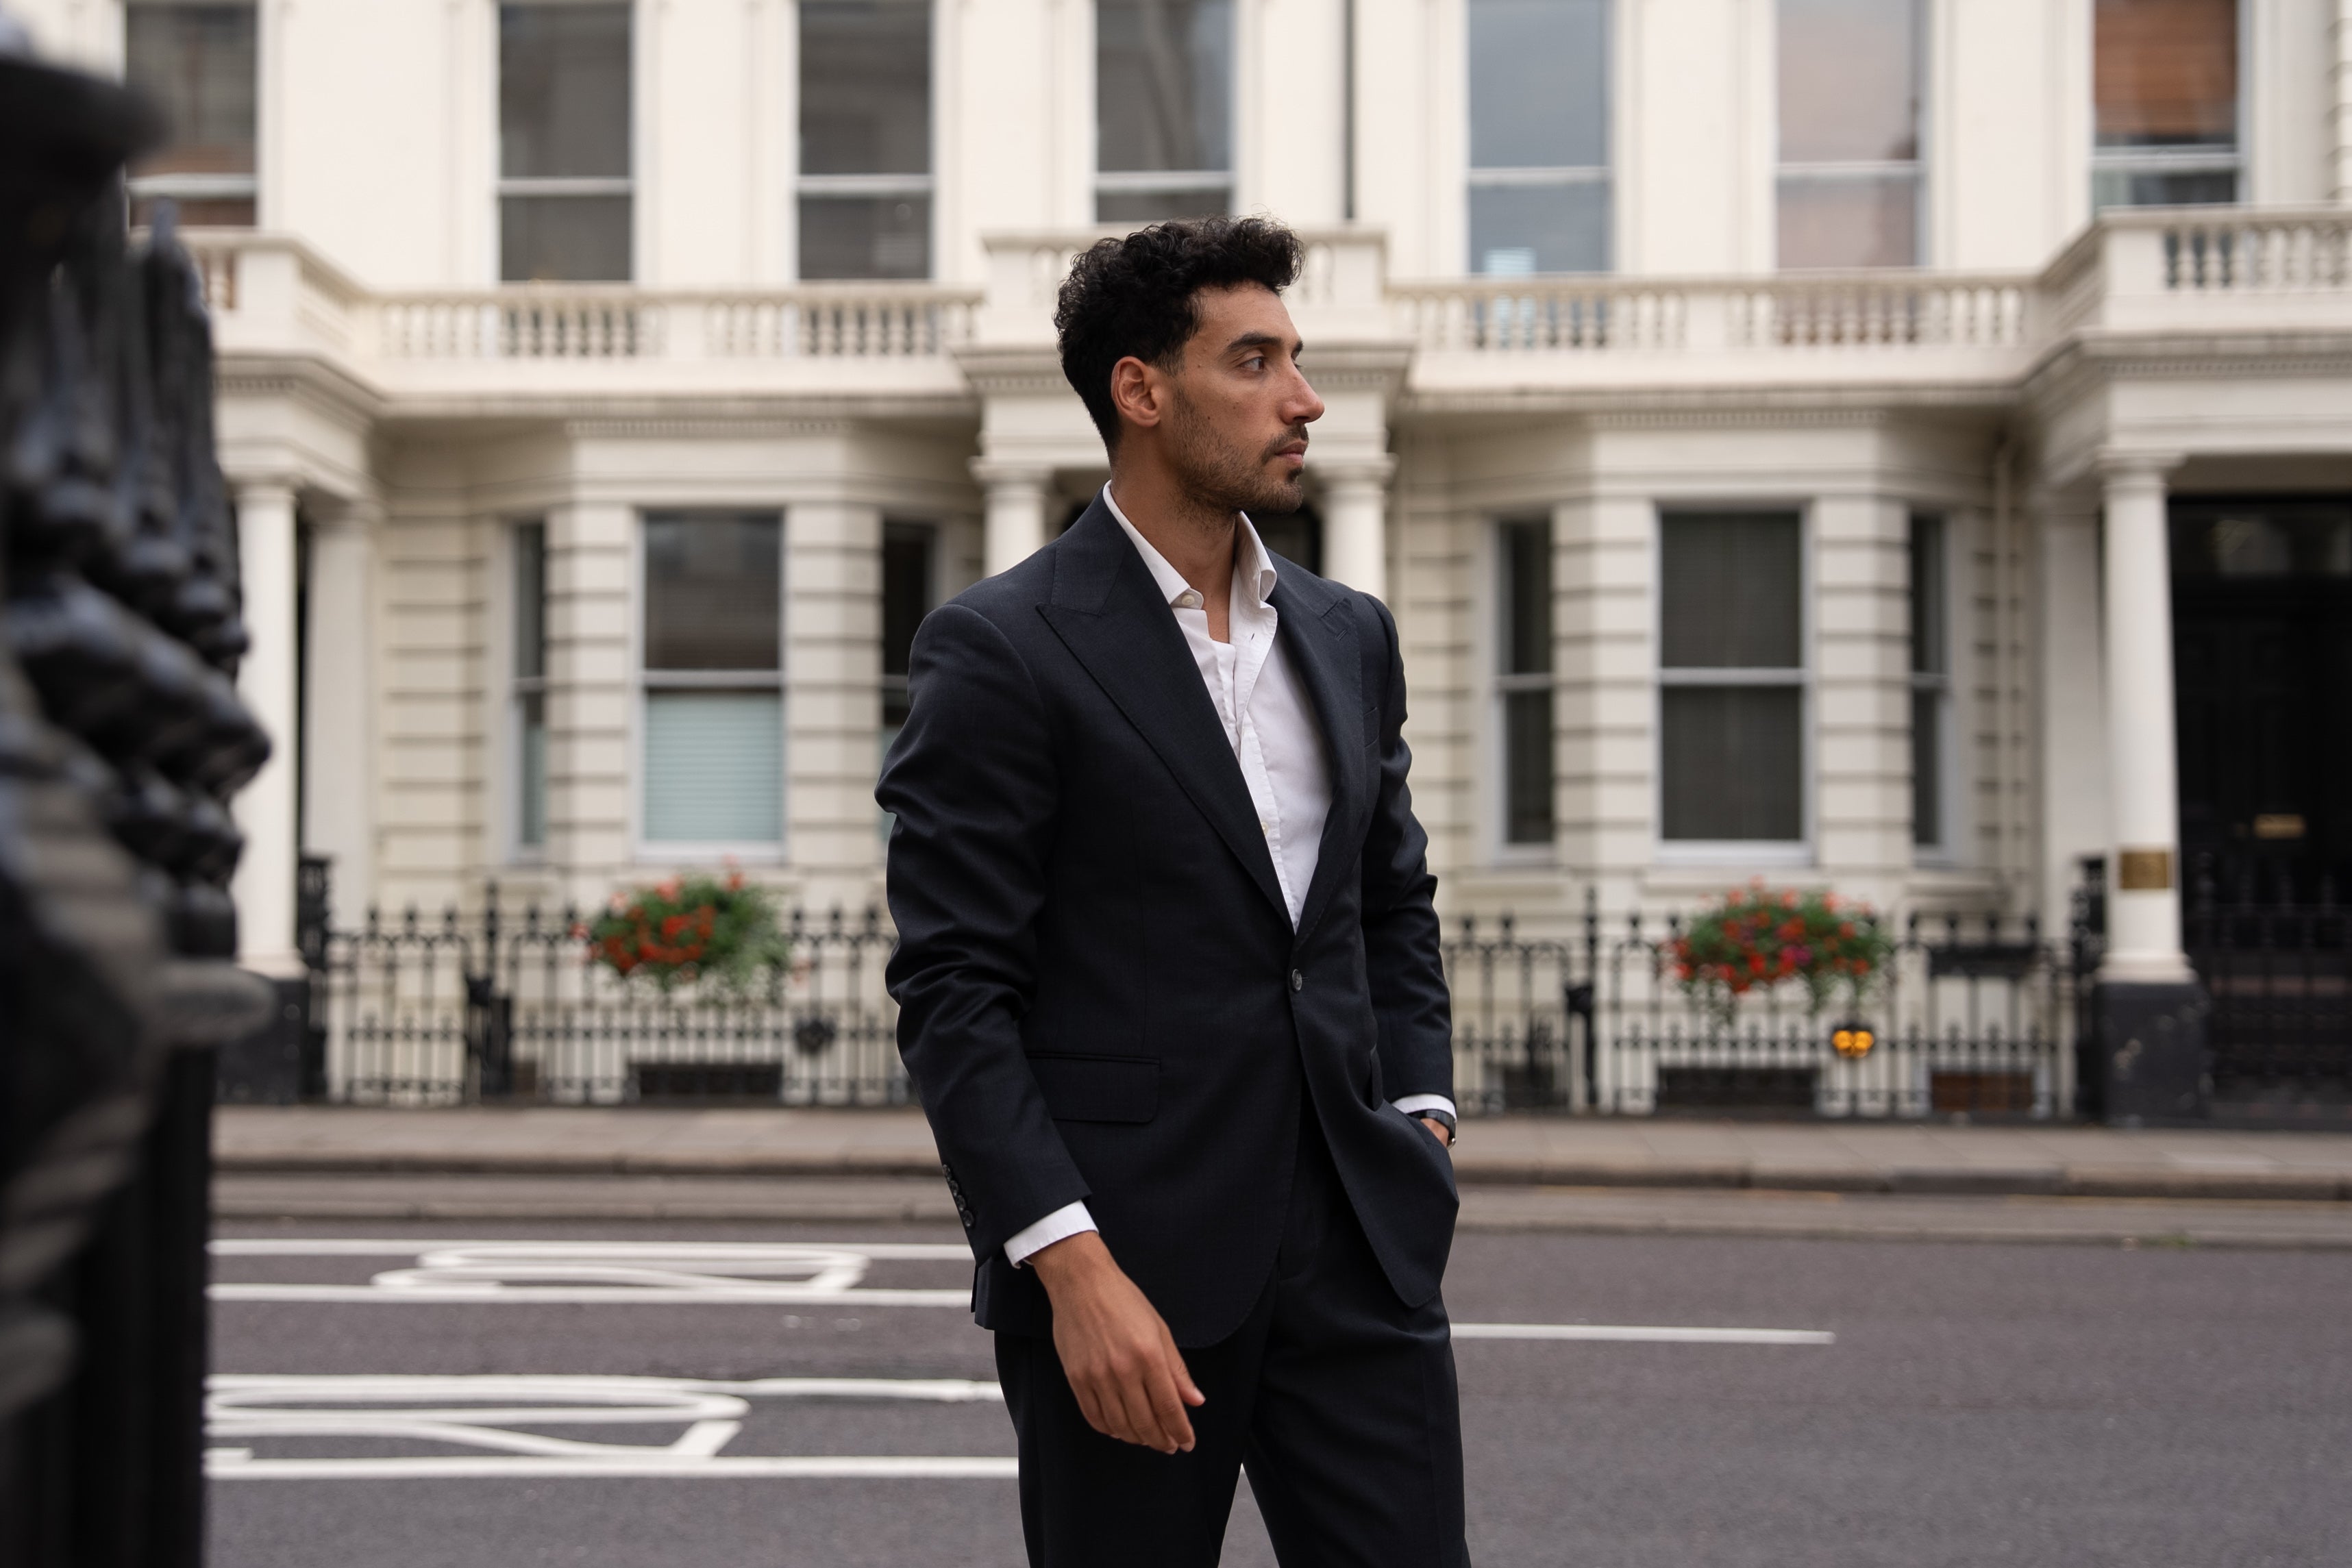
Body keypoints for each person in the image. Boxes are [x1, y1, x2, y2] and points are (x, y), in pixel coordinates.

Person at [878, 215, 1468, 1568]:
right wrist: (1067, 1267)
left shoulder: (1345, 631)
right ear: (1139, 391)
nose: (1302, 400)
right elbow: (955, 988)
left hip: (1356, 1247)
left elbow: (1389, 901)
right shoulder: (1001, 647)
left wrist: (1421, 1112)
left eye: (1297, 360)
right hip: (1126, 1269)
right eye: (1253, 361)